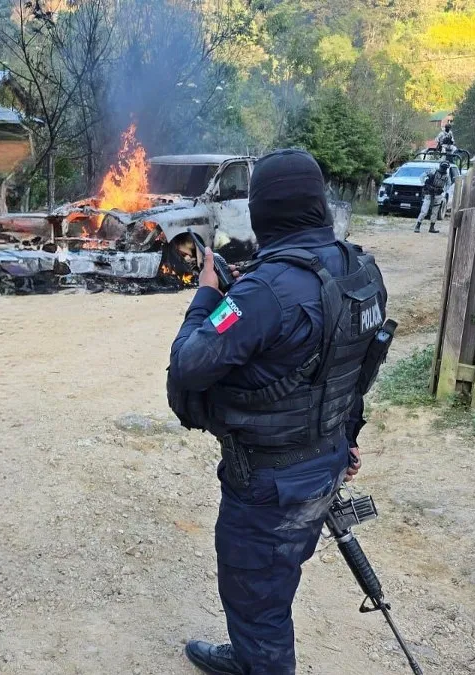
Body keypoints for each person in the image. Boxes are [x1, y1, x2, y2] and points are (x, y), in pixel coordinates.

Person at [167, 148, 389, 675]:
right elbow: (354, 365)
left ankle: (259, 661)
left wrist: (207, 296)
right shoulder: (360, 268)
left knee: (255, 592)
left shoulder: (266, 291)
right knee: (275, 574)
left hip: (271, 482)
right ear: (317, 204)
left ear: (263, 210)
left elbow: (189, 367)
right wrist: (346, 434)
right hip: (325, 462)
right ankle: (249, 655)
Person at [414, 161, 451, 234]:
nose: (444, 169)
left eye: (445, 168)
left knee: (435, 212)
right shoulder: (433, 171)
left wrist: (443, 190)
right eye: (443, 167)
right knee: (424, 211)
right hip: (429, 193)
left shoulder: (446, 176)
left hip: (438, 194)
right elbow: (422, 176)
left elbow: (448, 184)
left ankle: (432, 227)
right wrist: (425, 185)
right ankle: (418, 225)